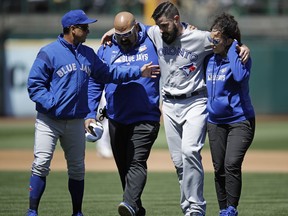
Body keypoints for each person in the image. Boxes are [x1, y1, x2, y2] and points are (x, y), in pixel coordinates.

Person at [25, 9, 160, 216]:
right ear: (72, 29)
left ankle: (79, 212)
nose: (88, 30)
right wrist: (54, 104)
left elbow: (108, 74)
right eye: (85, 27)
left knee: (79, 168)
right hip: (50, 120)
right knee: (41, 163)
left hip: (80, 120)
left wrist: (138, 72)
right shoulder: (49, 52)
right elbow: (35, 85)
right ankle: (32, 211)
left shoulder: (88, 53)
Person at [85, 11, 161, 216]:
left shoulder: (153, 40)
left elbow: (170, 26)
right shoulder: (107, 49)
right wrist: (90, 113)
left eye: (127, 33)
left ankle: (128, 203)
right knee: (124, 168)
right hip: (117, 118)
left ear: (137, 27)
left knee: (137, 161)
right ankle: (135, 207)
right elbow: (95, 81)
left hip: (146, 117)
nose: (124, 38)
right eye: (120, 35)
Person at [205, 13, 255, 216]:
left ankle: (232, 209)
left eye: (216, 39)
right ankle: (223, 209)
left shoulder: (241, 57)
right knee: (219, 169)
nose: (212, 43)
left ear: (227, 40)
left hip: (240, 121)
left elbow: (239, 76)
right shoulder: (209, 57)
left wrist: (235, 49)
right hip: (215, 122)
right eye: (211, 38)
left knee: (231, 164)